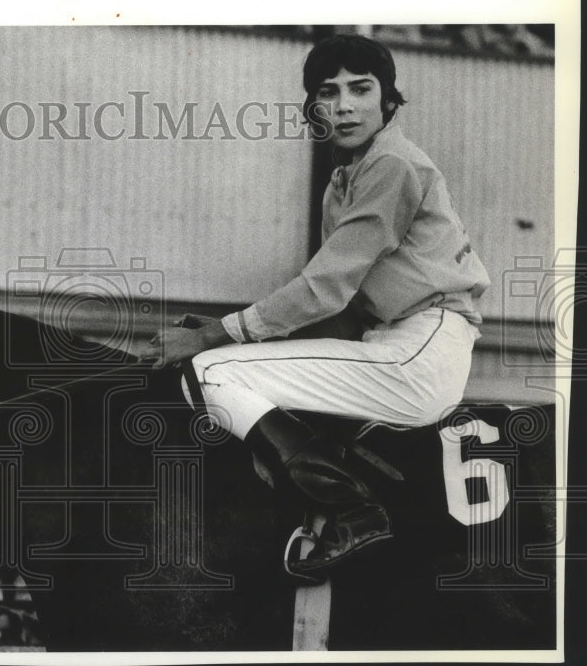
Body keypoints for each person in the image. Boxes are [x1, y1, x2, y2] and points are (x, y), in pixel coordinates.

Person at [140, 34, 490, 578]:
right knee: (229, 368)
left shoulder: (393, 163)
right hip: (388, 341)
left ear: (388, 101)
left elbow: (326, 285)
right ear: (313, 110)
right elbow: (342, 310)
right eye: (328, 93)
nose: (344, 105)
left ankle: (354, 511)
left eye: (361, 88)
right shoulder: (344, 181)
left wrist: (217, 336)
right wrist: (239, 331)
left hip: (422, 346)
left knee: (207, 371)